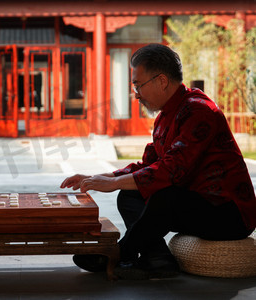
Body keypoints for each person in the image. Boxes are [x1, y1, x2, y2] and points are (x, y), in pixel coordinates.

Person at [60, 44, 256, 280]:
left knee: (165, 196)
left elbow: (172, 170)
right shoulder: (165, 116)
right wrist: (105, 178)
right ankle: (158, 259)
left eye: (138, 85)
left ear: (161, 81)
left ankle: (120, 253)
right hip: (195, 204)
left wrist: (116, 182)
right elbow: (149, 165)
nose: (136, 94)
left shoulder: (199, 111)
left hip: (228, 213)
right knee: (130, 194)